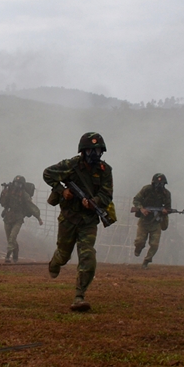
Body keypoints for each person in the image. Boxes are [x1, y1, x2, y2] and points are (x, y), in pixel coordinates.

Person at [42, 132, 114, 312]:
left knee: (87, 256)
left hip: (88, 220)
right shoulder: (71, 165)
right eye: (91, 150)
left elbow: (107, 195)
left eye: (98, 150)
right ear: (84, 151)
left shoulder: (105, 170)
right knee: (64, 255)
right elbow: (47, 174)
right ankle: (55, 263)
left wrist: (94, 202)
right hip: (69, 217)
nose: (95, 154)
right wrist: (61, 190)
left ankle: (79, 296)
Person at [0, 175, 43, 263]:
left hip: (18, 218)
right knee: (10, 239)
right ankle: (15, 253)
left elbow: (31, 207)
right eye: (15, 183)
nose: (16, 186)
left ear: (22, 186)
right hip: (8, 217)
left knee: (12, 237)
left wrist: (38, 218)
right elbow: (2, 202)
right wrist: (4, 192)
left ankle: (8, 256)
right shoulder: (8, 191)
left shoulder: (24, 195)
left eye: (19, 184)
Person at [132, 173, 172, 268]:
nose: (160, 186)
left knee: (154, 244)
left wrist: (165, 211)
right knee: (139, 241)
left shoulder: (166, 194)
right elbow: (136, 200)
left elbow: (168, 207)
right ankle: (138, 249)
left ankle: (147, 261)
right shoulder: (146, 189)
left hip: (156, 222)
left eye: (162, 184)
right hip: (144, 221)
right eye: (158, 184)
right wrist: (142, 209)